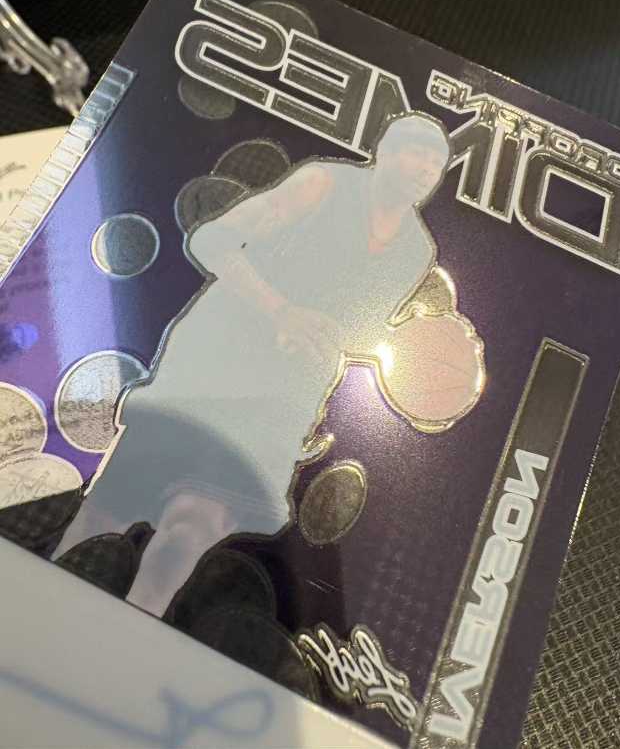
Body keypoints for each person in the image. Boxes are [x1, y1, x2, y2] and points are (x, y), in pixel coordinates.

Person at [55, 112, 451, 617]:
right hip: (217, 358)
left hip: (283, 394)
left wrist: (409, 353)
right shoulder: (323, 184)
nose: (425, 169)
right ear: (386, 151)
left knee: (195, 529)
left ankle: (126, 637)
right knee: (109, 512)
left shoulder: (417, 248)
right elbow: (210, 239)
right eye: (417, 154)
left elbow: (354, 329)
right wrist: (279, 310)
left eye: (435, 163)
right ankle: (32, 602)